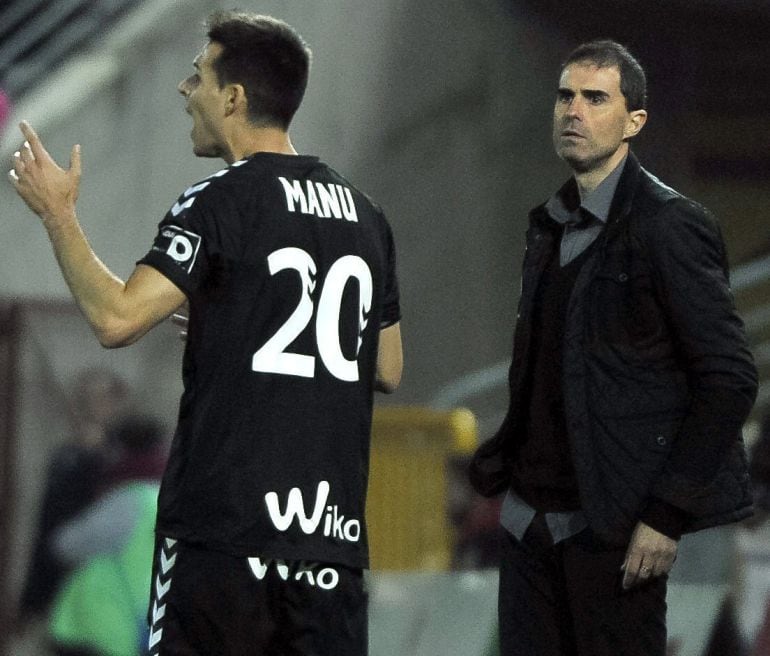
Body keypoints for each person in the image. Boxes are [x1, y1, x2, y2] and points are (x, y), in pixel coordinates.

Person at [9, 10, 402, 656]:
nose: (184, 91)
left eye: (196, 76)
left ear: (234, 97)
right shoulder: (366, 217)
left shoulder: (220, 201)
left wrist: (59, 216)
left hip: (224, 543)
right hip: (328, 552)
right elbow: (386, 365)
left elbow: (116, 318)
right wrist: (247, 322)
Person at [468, 39, 757, 656]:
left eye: (595, 98)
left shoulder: (670, 225)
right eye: (565, 95)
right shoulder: (548, 225)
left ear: (634, 122)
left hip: (615, 530)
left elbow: (728, 378)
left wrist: (666, 513)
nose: (573, 110)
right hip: (529, 527)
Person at [47, 414, 167, 656]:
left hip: (107, 624)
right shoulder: (174, 499)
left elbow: (65, 544)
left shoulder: (132, 499)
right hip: (151, 621)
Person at [20, 368, 130, 624]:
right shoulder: (66, 457)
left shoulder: (125, 459)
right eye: (88, 398)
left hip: (107, 584)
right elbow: (48, 522)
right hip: (62, 580)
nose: (95, 406)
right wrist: (33, 596)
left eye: (104, 398)